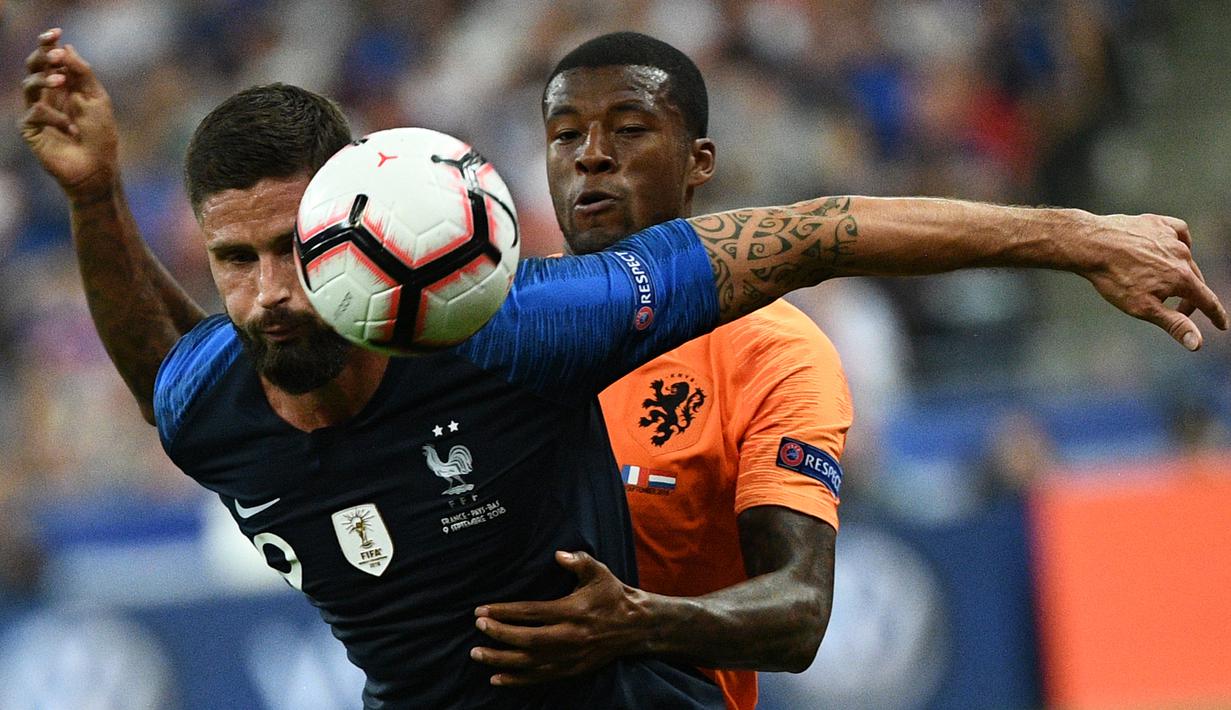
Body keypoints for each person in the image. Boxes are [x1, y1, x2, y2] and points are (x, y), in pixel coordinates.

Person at [21, 27, 1224, 710]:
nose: (272, 291)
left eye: (300, 250)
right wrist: (91, 197)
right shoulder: (206, 402)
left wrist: (1073, 235)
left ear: (369, 219)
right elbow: (162, 368)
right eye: (236, 259)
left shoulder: (517, 328)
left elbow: (810, 234)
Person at [470, 34, 850, 710]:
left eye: (629, 129)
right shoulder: (489, 328)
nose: (589, 154)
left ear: (697, 161)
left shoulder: (772, 353)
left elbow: (798, 612)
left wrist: (634, 623)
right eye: (564, 136)